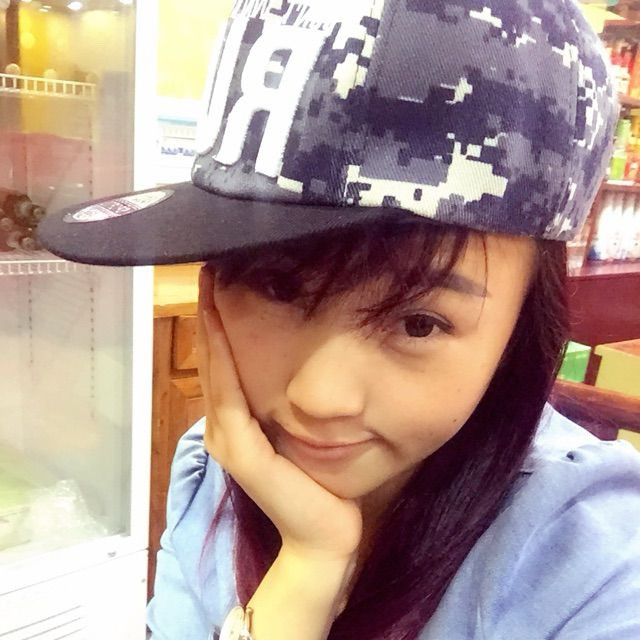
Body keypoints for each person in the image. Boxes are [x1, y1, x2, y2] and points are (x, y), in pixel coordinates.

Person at [37, 0, 640, 638]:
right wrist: (308, 565)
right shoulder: (216, 468)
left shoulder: (594, 569)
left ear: (521, 326)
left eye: (418, 323)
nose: (318, 401)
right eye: (277, 286)